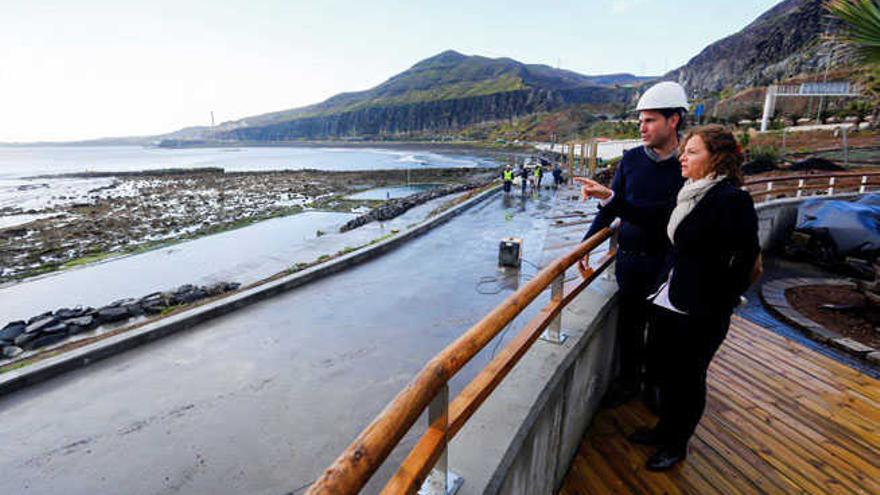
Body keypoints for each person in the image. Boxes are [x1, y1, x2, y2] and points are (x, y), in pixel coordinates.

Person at [579, 125, 760, 471]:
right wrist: (610, 198)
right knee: (665, 370)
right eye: (684, 151)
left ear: (717, 159)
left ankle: (677, 444)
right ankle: (663, 429)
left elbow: (746, 259)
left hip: (701, 310)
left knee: (688, 379)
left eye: (692, 152)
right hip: (670, 298)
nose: (683, 157)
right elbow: (652, 217)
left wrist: (717, 303)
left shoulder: (731, 199)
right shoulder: (691, 192)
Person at [576, 81, 689, 408]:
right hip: (629, 260)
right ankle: (628, 383)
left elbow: (662, 217)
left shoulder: (686, 166)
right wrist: (585, 247)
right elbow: (612, 207)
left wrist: (612, 198)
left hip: (664, 263)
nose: (642, 127)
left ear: (673, 121)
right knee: (629, 327)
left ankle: (654, 386)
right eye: (640, 121)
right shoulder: (631, 160)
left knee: (662, 332)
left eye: (650, 120)